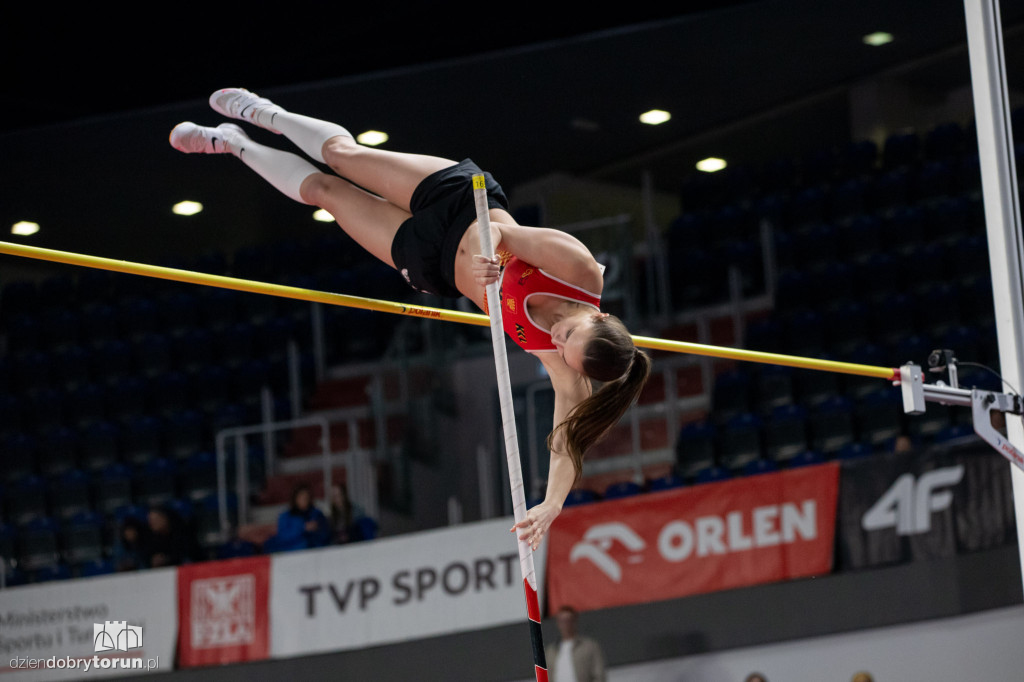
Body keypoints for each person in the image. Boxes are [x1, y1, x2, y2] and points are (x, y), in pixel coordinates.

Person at [170, 88, 652, 551]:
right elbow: (506, 233)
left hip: (434, 263)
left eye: (560, 346)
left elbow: (567, 442)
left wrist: (550, 505)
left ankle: (233, 144)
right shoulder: (579, 269)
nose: (554, 336)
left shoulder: (568, 367)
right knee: (343, 156)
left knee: (326, 191)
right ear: (599, 314)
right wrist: (492, 253)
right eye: (567, 331)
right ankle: (263, 113)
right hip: (460, 203)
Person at [544, 605, 606, 682]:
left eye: (568, 620)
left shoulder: (590, 647)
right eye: (562, 621)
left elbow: (599, 675)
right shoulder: (550, 651)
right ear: (557, 623)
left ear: (575, 621)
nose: (565, 624)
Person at [271, 483, 331, 551]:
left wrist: (316, 529)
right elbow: (283, 537)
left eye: (306, 497)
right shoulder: (286, 517)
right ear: (295, 498)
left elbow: (325, 535)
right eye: (301, 497)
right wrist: (302, 528)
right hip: (294, 553)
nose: (304, 500)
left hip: (316, 552)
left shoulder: (317, 514)